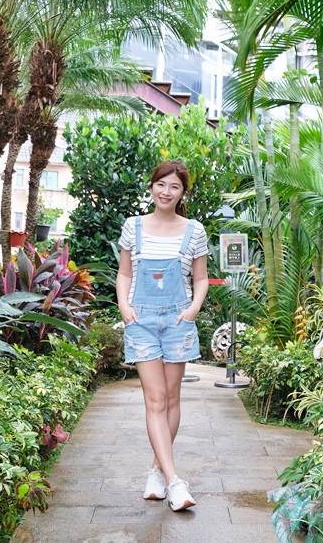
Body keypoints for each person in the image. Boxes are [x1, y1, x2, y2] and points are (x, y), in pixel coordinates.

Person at [116, 160, 209, 512]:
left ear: (182, 193)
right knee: (155, 398)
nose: (166, 192)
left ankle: (156, 471)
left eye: (174, 187)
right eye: (161, 184)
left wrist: (193, 309)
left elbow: (200, 278)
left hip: (178, 320)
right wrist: (124, 307)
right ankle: (174, 481)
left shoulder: (194, 230)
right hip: (140, 319)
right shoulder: (133, 227)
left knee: (171, 398)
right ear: (151, 187)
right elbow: (125, 273)